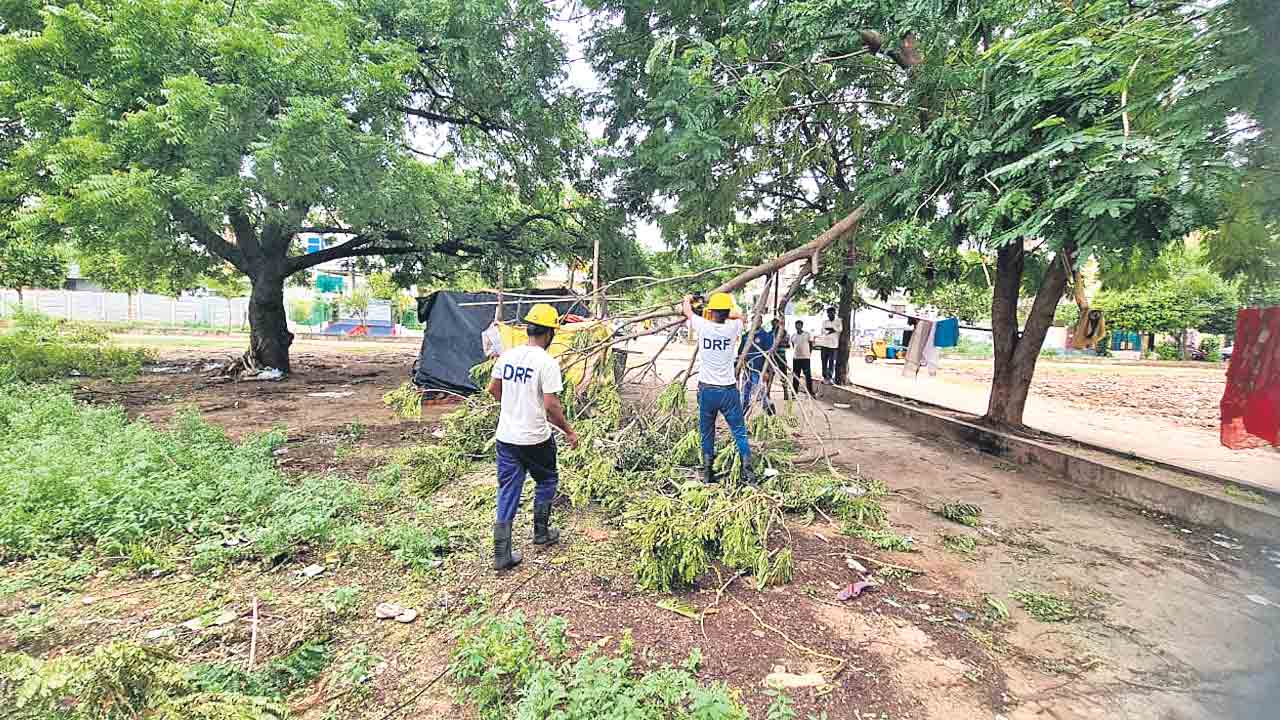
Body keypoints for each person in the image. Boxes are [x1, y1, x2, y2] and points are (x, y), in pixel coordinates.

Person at [486, 303, 579, 572]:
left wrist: (513, 408)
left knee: (507, 490)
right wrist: (570, 432)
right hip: (536, 439)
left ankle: (501, 554)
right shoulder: (546, 363)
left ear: (528, 328)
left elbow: (493, 389)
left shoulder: (508, 356)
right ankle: (541, 533)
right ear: (549, 334)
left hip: (506, 438)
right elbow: (551, 406)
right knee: (547, 479)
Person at [683, 293, 753, 485]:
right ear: (727, 312)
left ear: (711, 311)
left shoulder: (702, 325)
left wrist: (688, 297)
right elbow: (740, 317)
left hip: (707, 390)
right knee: (739, 431)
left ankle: (707, 474)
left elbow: (687, 311)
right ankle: (749, 474)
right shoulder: (733, 327)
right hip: (728, 390)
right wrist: (727, 312)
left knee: (707, 431)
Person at [740, 321, 774, 414]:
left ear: (761, 322)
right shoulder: (746, 336)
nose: (756, 322)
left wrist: (767, 371)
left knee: (759, 391)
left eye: (758, 320)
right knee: (745, 391)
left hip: (759, 370)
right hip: (747, 370)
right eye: (754, 319)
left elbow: (769, 355)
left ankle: (769, 410)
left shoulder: (766, 336)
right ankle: (744, 409)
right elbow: (741, 352)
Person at [817, 307, 843, 383]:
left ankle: (830, 377)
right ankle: (825, 377)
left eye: (831, 313)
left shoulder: (838, 321)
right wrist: (833, 329)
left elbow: (840, 329)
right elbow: (823, 331)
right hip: (824, 344)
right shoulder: (825, 322)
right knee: (824, 361)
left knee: (832, 362)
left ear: (834, 313)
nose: (830, 314)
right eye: (828, 313)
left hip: (833, 346)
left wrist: (831, 329)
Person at [791, 319, 815, 396]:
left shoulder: (807, 334)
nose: (798, 326)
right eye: (796, 325)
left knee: (808, 376)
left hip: (805, 358)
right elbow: (793, 345)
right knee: (795, 375)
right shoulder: (793, 336)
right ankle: (794, 392)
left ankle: (810, 392)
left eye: (799, 325)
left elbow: (811, 344)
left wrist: (809, 354)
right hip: (796, 358)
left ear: (802, 326)